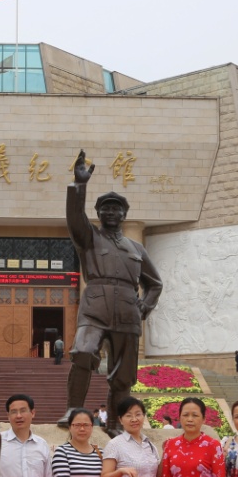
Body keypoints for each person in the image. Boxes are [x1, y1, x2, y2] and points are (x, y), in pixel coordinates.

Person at [63, 150, 163, 423]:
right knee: (83, 352)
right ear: (98, 213)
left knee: (123, 374)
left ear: (124, 214)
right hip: (95, 307)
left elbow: (155, 284)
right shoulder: (90, 238)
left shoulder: (137, 248)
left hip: (127, 312)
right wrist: (79, 185)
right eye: (105, 208)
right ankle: (73, 410)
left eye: (116, 208)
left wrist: (144, 307)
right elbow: (75, 218)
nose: (110, 212)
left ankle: (116, 424)